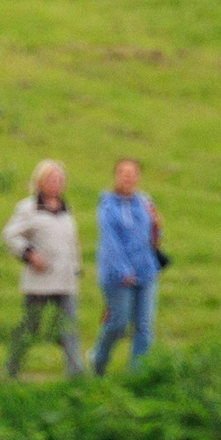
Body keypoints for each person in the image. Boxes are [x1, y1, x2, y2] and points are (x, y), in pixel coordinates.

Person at [1, 159, 83, 379]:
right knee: (30, 327)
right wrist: (29, 254)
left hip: (65, 280)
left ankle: (76, 375)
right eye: (50, 179)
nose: (55, 183)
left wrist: (77, 268)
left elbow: (71, 243)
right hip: (40, 280)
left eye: (59, 179)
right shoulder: (28, 208)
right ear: (39, 182)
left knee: (69, 326)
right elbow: (10, 235)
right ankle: (10, 371)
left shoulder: (67, 210)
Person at [93, 157, 160, 373]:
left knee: (144, 326)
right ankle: (99, 359)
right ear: (116, 176)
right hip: (116, 275)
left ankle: (137, 373)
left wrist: (158, 224)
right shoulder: (107, 205)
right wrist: (123, 270)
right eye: (124, 173)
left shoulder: (145, 202)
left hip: (146, 272)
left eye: (133, 174)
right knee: (119, 323)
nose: (129, 178)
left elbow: (153, 235)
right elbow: (110, 241)